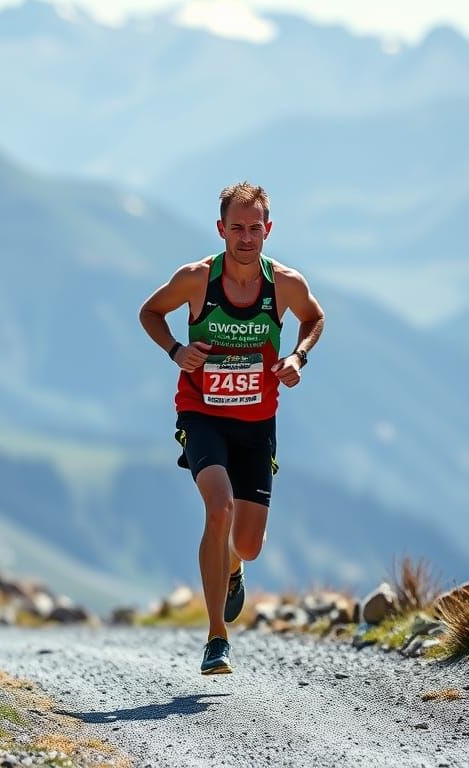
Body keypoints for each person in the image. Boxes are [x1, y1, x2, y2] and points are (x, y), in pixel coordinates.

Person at [138, 181, 325, 674]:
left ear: (268, 229)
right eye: (237, 228)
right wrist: (177, 351)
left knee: (247, 544)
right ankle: (216, 637)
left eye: (255, 228)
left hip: (257, 422)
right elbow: (149, 312)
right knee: (216, 508)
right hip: (201, 413)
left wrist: (299, 357)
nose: (246, 237)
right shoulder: (197, 279)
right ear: (221, 229)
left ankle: (235, 567)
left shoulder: (284, 284)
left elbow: (314, 318)